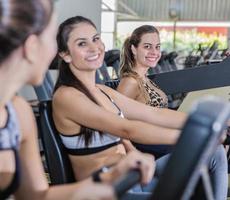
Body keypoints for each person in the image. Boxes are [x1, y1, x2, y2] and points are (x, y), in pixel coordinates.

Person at [52, 16, 228, 199]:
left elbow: (154, 113)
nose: (94, 47)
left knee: (213, 153)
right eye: (82, 44)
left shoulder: (101, 90)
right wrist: (196, 138)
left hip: (134, 176)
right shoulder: (67, 96)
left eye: (96, 39)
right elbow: (128, 129)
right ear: (65, 54)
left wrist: (212, 124)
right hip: (113, 190)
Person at [0, 1, 155, 200]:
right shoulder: (63, 98)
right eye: (51, 40)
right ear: (31, 47)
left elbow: (36, 196)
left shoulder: (18, 113)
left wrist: (111, 177)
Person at [117, 25, 173, 158]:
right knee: (211, 150)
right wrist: (132, 152)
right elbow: (115, 123)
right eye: (147, 46)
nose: (154, 52)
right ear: (134, 49)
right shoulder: (130, 82)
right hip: (148, 148)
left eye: (157, 47)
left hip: (162, 141)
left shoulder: (146, 80)